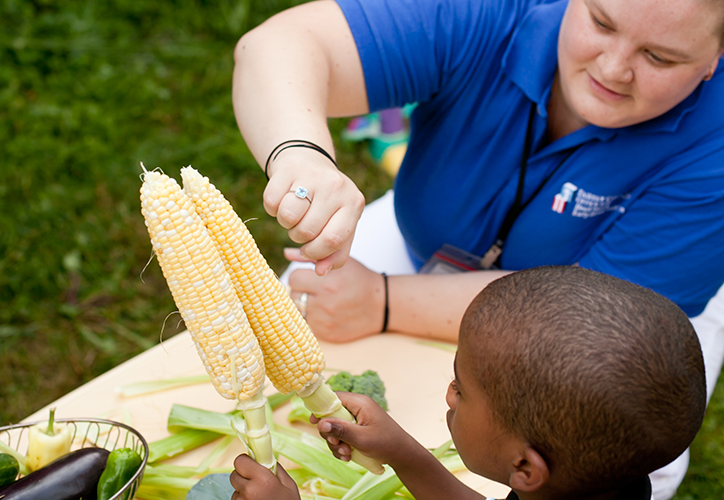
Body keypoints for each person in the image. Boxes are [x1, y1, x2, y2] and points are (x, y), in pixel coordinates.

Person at [231, 0, 724, 497]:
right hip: (436, 256)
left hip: (606, 332)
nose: (613, 68)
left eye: (659, 57)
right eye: (600, 22)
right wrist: (301, 157)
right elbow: (276, 47)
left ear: (715, 57)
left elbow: (597, 319)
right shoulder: (493, 13)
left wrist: (382, 301)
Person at [229, 266, 707, 500]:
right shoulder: (598, 483)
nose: (449, 393)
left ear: (525, 467)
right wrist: (403, 451)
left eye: (462, 388)